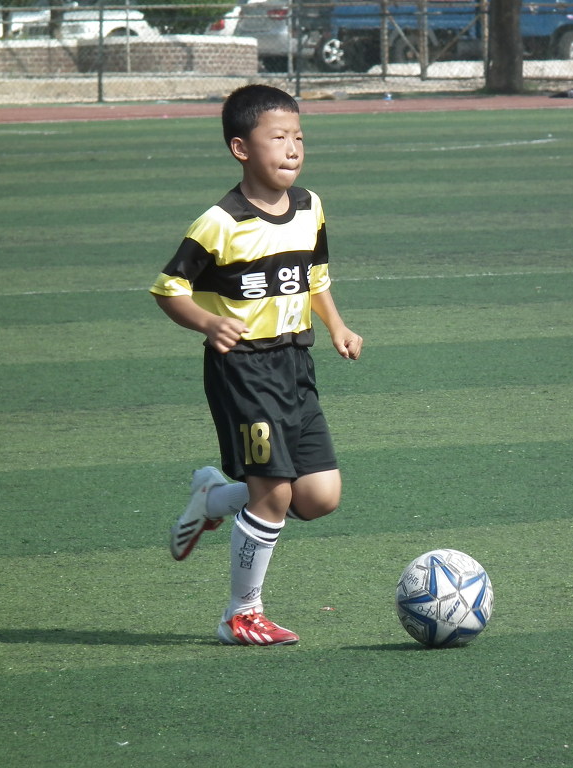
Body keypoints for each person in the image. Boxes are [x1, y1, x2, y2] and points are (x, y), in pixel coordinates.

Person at [150, 84, 363, 646]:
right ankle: (240, 614)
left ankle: (214, 498)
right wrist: (207, 322)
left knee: (318, 497)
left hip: (295, 364)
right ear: (241, 149)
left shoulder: (310, 207)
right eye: (279, 138)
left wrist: (337, 326)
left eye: (299, 137)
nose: (293, 149)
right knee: (273, 494)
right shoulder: (219, 223)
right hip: (243, 369)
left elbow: (313, 278)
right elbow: (168, 289)